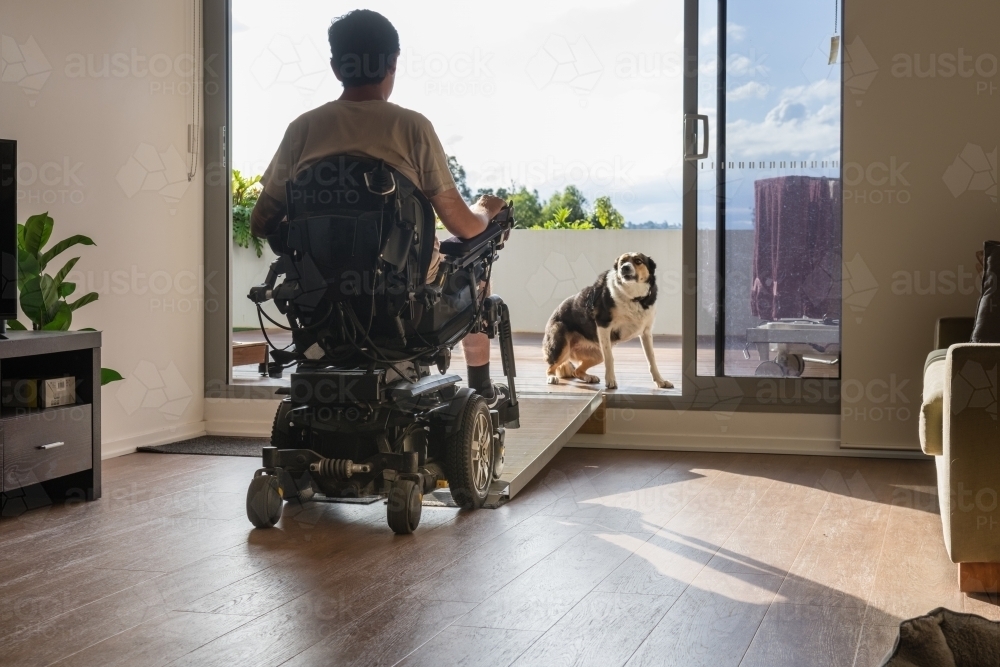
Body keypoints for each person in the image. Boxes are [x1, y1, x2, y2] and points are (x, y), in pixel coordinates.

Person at [250, 9, 504, 403]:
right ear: (392, 64)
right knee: (480, 274)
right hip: (401, 293)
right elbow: (463, 225)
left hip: (320, 292)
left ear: (337, 67)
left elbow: (262, 221)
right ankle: (482, 389)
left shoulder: (302, 129)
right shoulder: (410, 127)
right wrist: (488, 210)